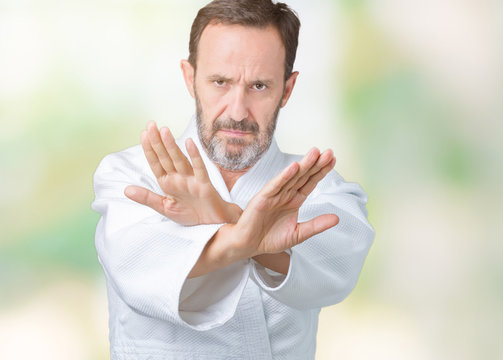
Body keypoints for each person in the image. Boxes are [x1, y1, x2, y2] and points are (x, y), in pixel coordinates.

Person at [91, 0, 374, 358]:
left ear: (287, 90)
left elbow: (338, 266)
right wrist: (253, 237)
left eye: (258, 86)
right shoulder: (130, 175)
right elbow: (137, 271)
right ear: (190, 78)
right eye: (220, 82)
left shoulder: (313, 186)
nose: (238, 112)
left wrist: (223, 216)